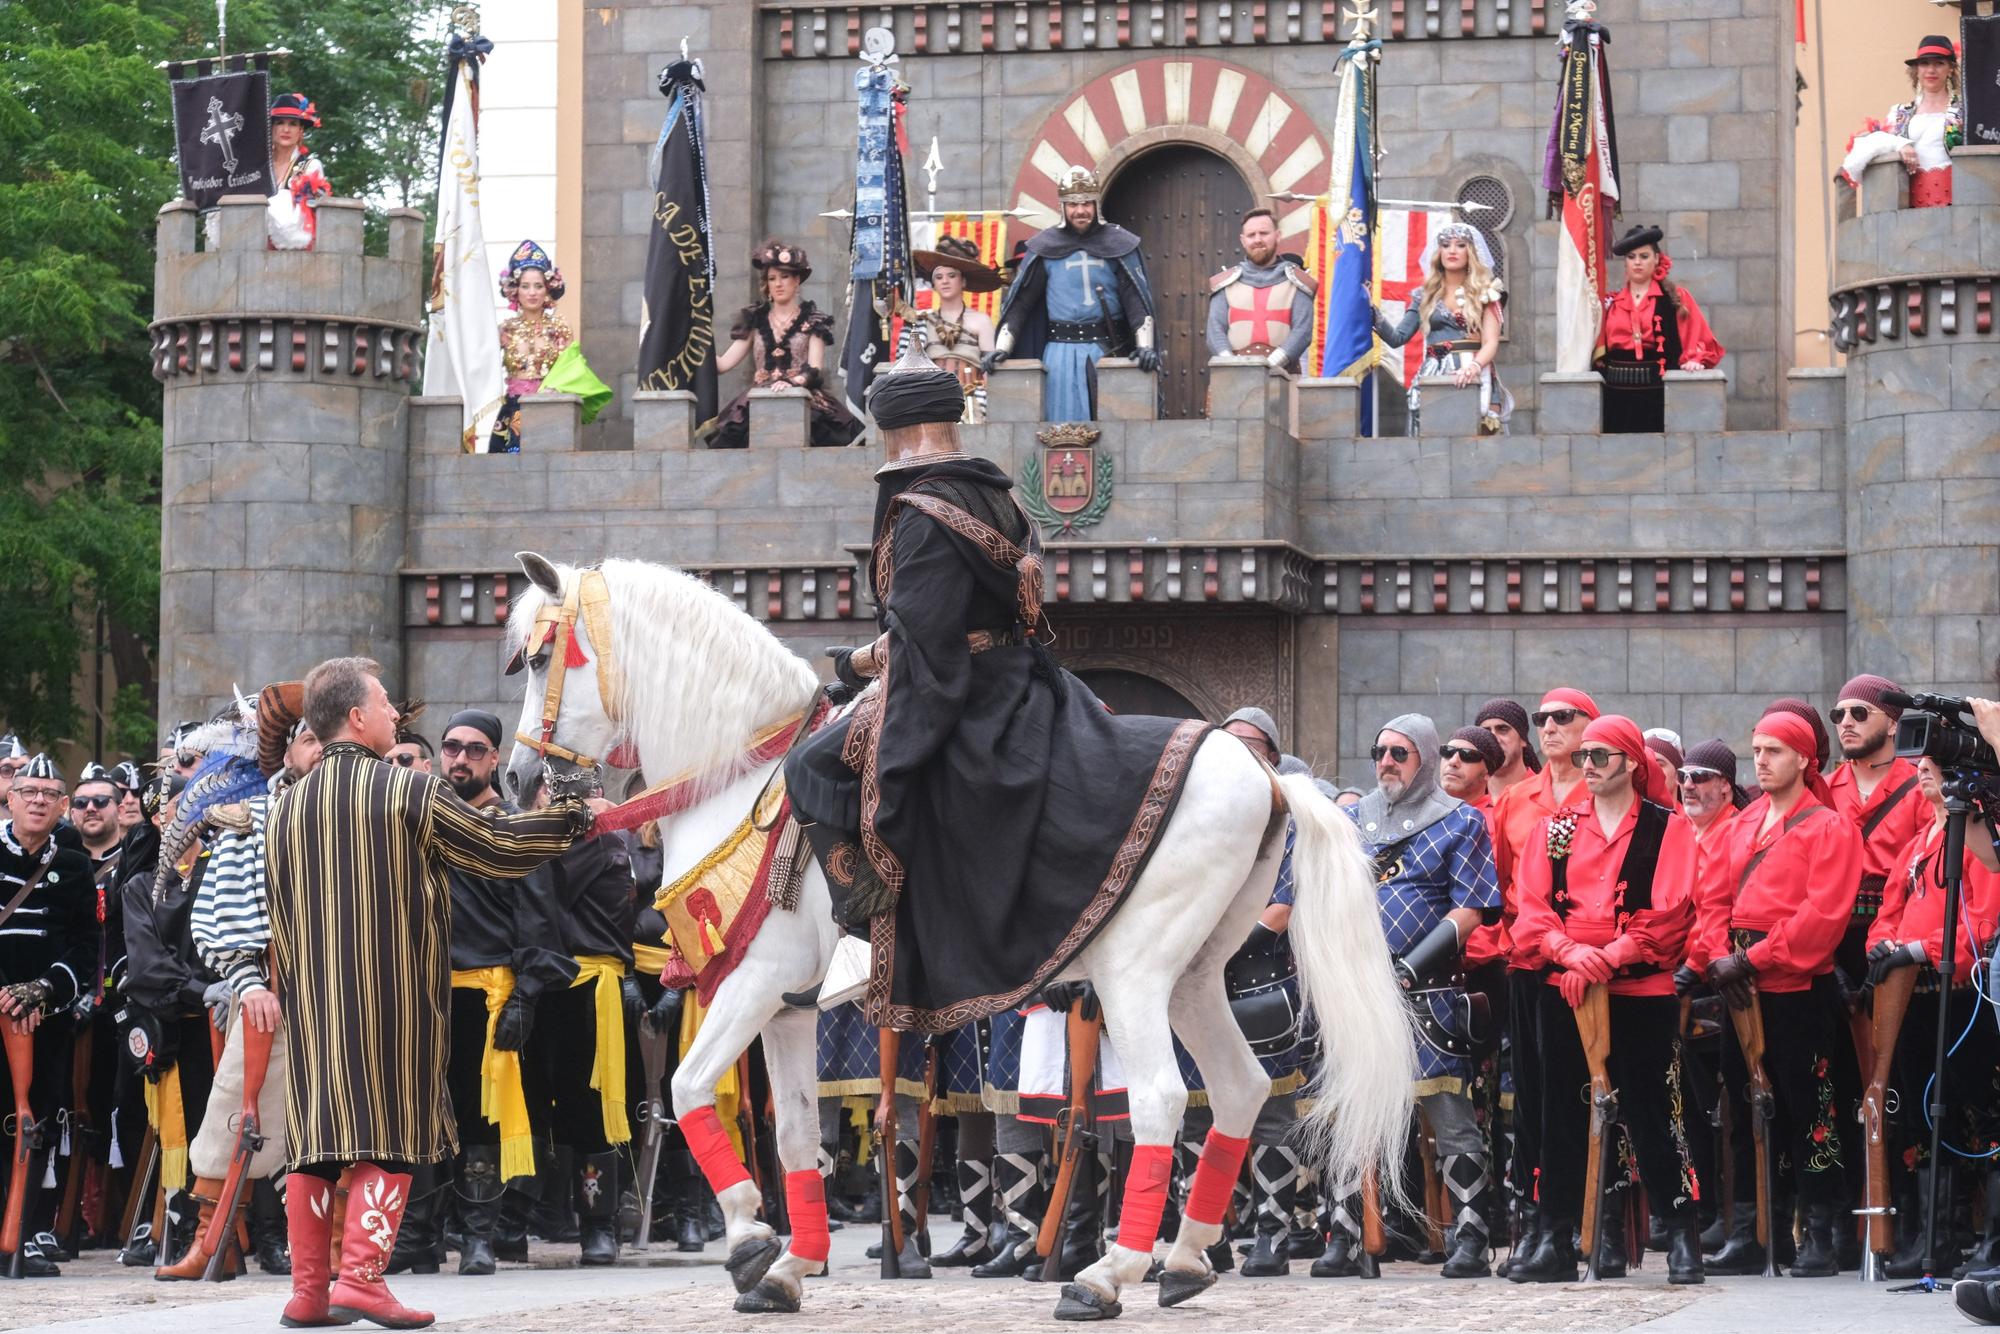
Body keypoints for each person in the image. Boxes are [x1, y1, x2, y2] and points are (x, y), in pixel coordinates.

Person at [782, 347, 1204, 1042]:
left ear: (894, 434)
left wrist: (860, 665)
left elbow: (926, 639)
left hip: (962, 690)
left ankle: (859, 926)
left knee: (810, 767)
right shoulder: (999, 495)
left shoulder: (921, 509)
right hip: (1022, 675)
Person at [263, 657, 606, 1329]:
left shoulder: (286, 804)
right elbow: (499, 848)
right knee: (387, 1138)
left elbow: (276, 913)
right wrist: (572, 813)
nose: (396, 713)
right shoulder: (405, 791)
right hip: (390, 1004)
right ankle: (360, 1280)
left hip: (312, 1008)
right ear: (357, 717)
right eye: (386, 702)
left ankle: (309, 1293)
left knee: (317, 1144)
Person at [1509, 716, 1703, 1285]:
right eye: (1583, 755)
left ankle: (1682, 1230)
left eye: (1599, 755)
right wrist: (1569, 952)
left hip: (1640, 990)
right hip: (1564, 989)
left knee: (1653, 1109)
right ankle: (1554, 1236)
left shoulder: (1669, 829)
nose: (1586, 764)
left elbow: (1671, 912)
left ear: (1631, 763)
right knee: (1559, 1113)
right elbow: (1532, 909)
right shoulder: (1557, 829)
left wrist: (1606, 957)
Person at [392, 709, 576, 1277]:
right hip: (423, 994)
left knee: (478, 1120)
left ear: (495, 759)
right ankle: (420, 1236)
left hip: (488, 991)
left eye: (475, 750)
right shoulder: (420, 827)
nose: (461, 759)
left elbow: (540, 919)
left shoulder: (514, 829)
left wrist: (525, 994)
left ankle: (477, 1237)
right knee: (421, 1118)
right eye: (451, 748)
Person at [1322, 714, 1500, 1281]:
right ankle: (1345, 1235)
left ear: (1423, 756)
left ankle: (1470, 1235)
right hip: (1357, 989)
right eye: (1379, 752)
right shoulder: (1348, 822)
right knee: (1352, 1114)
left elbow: (1471, 906)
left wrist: (1409, 966)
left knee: (1449, 1114)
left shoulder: (1460, 822)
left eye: (1400, 752)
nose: (1386, 762)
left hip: (1428, 986)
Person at [1688, 707, 1860, 1278]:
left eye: (1775, 751)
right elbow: (1711, 899)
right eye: (1757, 749)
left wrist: (1752, 958)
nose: (1760, 759)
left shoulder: (1829, 826)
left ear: (1805, 759)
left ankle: (1820, 1233)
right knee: (1743, 1104)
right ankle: (1755, 1232)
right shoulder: (1740, 822)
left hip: (1795, 986)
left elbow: (1823, 915)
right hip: (1737, 986)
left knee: (1808, 1109)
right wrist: (1718, 956)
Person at [165, 687, 320, 1281]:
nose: (317, 751)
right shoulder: (250, 814)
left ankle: (332, 1251)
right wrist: (249, 980)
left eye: (323, 740)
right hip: (274, 985)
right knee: (234, 1105)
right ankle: (212, 1242)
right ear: (285, 752)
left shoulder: (367, 806)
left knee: (343, 1121)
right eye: (306, 739)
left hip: (351, 992)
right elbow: (223, 905)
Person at [1865, 755, 2000, 1282]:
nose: (1924, 770)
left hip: (1963, 994)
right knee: (1924, 1112)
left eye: (1937, 763)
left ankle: (1990, 1237)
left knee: (1983, 1114)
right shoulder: (1920, 841)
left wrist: (1919, 948)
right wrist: (1883, 946)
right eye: (1919, 763)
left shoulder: (1975, 839)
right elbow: (1886, 911)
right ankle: (1934, 1235)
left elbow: (1981, 924)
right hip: (1912, 996)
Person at [1487, 687, 1597, 1274]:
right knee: (1528, 1098)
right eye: (1543, 719)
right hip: (1527, 962)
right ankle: (1534, 1222)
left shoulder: (1603, 792)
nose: (1550, 727)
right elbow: (1504, 886)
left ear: (1591, 727)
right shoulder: (1517, 798)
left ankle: (1575, 1223)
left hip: (1584, 964)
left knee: (1573, 1095)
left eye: (1564, 717)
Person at [521, 766, 640, 1268]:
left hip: (586, 985)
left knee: (587, 1109)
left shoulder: (599, 837)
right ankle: (537, 1216)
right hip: (550, 981)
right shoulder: (586, 837)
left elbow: (544, 890)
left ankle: (598, 1225)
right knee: (538, 1105)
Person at [0, 756, 95, 1277]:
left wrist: (42, 990)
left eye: (48, 793)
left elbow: (86, 949)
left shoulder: (76, 865)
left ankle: (22, 1233)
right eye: (27, 790)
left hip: (46, 1020)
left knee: (37, 1123)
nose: (37, 799)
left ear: (63, 806)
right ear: (10, 798)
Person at [986, 165, 1161, 422]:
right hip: (1060, 355)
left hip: (1107, 351)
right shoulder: (1045, 247)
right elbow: (1020, 303)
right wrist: (1001, 348)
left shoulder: (1119, 243)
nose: (1080, 210)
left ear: (1096, 204)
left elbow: (1135, 299)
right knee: (1062, 431)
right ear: (1063, 207)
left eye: (1087, 203)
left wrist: (1145, 347)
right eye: (1072, 204)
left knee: (1114, 431)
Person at [709, 241, 863, 450]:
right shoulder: (754, 320)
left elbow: (815, 367)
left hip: (804, 396)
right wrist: (697, 336)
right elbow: (722, 364)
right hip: (759, 398)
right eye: (772, 278)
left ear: (797, 280)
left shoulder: (814, 320)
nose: (778, 284)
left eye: (785, 277)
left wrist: (793, 383)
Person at [1373, 222, 1509, 435]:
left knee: (1478, 436)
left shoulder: (1487, 292)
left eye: (1460, 245)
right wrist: (1371, 313)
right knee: (1429, 439)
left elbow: (1491, 341)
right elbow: (1397, 338)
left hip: (1473, 370)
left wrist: (1473, 367)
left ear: (1471, 252)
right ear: (1439, 252)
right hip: (1433, 372)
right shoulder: (1424, 295)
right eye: (1446, 245)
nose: (1452, 251)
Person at [1597, 225, 1727, 434]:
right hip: (1616, 396)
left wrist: (1696, 359)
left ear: (1657, 259)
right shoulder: (1610, 303)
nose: (1637, 262)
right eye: (1631, 257)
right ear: (1626, 263)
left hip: (1661, 394)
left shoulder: (1676, 298)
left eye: (1644, 256)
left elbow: (1698, 335)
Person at [1841, 36, 1961, 208]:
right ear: (1917, 70)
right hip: (1906, 210)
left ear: (1950, 69)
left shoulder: (1963, 111)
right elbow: (1867, 144)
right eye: (1925, 63)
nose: (1931, 70)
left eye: (1939, 63)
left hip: (1954, 207)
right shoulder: (1899, 113)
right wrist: (1900, 145)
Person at [488, 240, 577, 454]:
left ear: (548, 289)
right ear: (514, 290)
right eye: (525, 286)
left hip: (551, 409)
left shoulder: (560, 328)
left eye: (538, 286)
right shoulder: (504, 330)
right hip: (513, 411)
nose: (532, 293)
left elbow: (571, 371)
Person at [1205, 209, 1317, 372]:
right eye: (1251, 235)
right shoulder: (1225, 283)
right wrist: (1231, 365)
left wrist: (1270, 366)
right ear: (1243, 240)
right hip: (1233, 378)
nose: (1257, 240)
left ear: (1277, 236)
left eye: (1264, 233)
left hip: (1284, 377)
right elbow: (1215, 331)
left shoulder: (1297, 282)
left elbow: (1302, 332)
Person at [907, 234, 1001, 423]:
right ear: (933, 284)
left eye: (952, 275)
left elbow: (991, 370)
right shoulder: (922, 321)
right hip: (931, 399)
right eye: (939, 277)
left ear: (963, 281)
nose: (945, 281)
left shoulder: (981, 321)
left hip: (972, 398)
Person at [265, 93, 330, 251]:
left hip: (297, 252)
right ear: (272, 128)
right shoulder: (260, 167)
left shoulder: (310, 166)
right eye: (280, 123)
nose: (286, 129)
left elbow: (311, 214)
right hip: (256, 249)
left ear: (301, 130)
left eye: (293, 124)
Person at [1473, 700, 1540, 798]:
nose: (1494, 739)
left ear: (1523, 739)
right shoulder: (1467, 802)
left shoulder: (1546, 794)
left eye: (1502, 729)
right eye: (1486, 732)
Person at [1439, 727, 1502, 810]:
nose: (1453, 762)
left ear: (1487, 773)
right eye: (1448, 752)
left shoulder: (1497, 819)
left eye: (1467, 755)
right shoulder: (1421, 813)